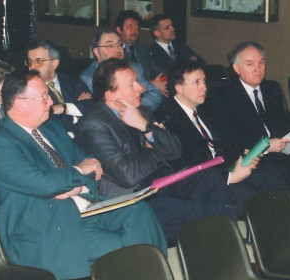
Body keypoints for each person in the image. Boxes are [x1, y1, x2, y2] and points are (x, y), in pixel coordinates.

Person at [0, 69, 166, 280]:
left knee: (138, 210)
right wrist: (76, 172)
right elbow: (45, 184)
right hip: (48, 226)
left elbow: (92, 163)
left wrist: (72, 185)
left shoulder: (52, 128)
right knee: (129, 247)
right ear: (19, 103)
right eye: (43, 97)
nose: (50, 102)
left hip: (86, 206)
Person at [74, 59, 240, 240]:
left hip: (158, 181)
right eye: (132, 84)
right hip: (131, 196)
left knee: (209, 178)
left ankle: (230, 246)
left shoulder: (140, 112)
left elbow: (175, 150)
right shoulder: (94, 125)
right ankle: (220, 251)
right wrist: (152, 150)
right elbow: (128, 175)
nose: (141, 88)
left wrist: (144, 125)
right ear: (111, 95)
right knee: (195, 210)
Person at [163, 60, 287, 212]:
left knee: (270, 174)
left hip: (226, 168)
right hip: (206, 182)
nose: (204, 87)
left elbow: (226, 142)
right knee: (255, 199)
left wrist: (244, 156)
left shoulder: (206, 108)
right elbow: (186, 166)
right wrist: (230, 177)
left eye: (204, 81)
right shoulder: (167, 119)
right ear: (179, 88)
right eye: (196, 82)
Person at [218, 41, 290, 191]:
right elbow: (233, 143)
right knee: (279, 184)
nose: (258, 69)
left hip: (280, 157)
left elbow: (283, 123)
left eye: (261, 63)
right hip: (252, 163)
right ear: (236, 68)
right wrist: (265, 147)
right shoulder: (226, 97)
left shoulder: (272, 89)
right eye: (250, 64)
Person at [80, 27, 163, 110]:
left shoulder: (134, 68)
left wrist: (134, 108)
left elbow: (155, 95)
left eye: (119, 44)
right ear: (97, 52)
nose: (118, 49)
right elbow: (98, 110)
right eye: (110, 45)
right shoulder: (88, 78)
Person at [26, 40, 94, 130]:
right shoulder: (28, 89)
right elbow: (50, 124)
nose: (32, 67)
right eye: (29, 61)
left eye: (38, 61)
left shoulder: (73, 81)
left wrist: (62, 108)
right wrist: (77, 113)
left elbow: (92, 106)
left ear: (54, 63)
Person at [114, 10, 169, 98]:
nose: (134, 30)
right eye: (130, 27)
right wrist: (151, 84)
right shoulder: (115, 52)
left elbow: (156, 69)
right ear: (119, 30)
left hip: (150, 93)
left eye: (137, 27)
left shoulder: (144, 48)